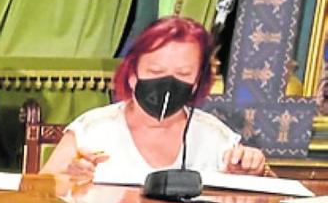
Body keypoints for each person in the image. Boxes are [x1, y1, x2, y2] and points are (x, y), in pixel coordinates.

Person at [42, 16, 266, 182]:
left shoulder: (216, 138)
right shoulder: (92, 130)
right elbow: (40, 194)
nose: (167, 84)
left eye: (183, 74)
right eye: (156, 71)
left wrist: (250, 171)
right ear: (132, 74)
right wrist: (67, 178)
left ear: (197, 81)